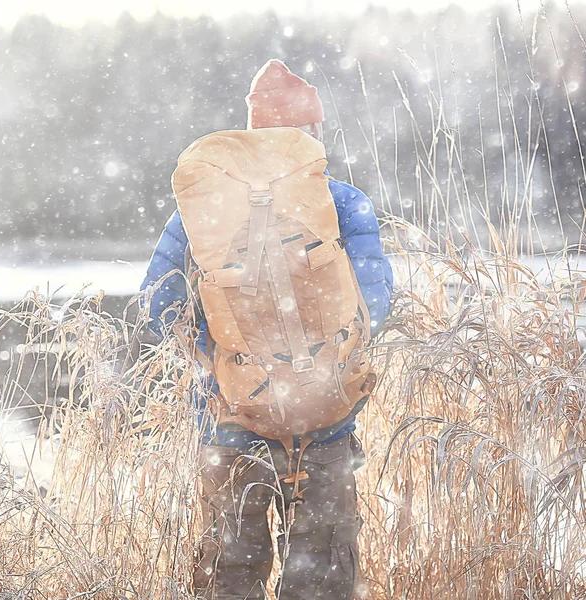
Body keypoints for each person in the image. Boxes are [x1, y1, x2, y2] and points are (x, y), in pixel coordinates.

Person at [140, 59, 393, 600]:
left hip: (229, 422)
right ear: (311, 135)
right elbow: (376, 303)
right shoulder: (342, 202)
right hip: (324, 419)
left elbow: (158, 306)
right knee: (321, 578)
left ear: (248, 134)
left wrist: (218, 358)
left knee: (230, 577)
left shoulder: (196, 212)